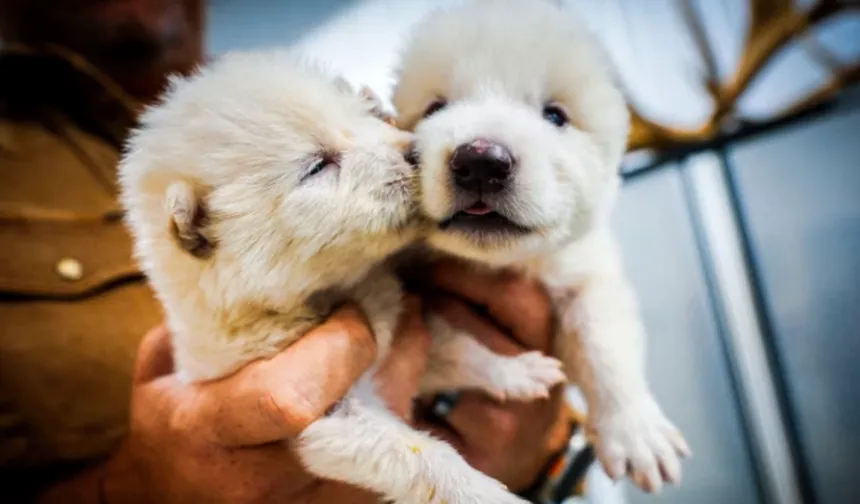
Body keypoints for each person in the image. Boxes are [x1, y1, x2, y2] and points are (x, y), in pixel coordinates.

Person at [0, 0, 582, 502]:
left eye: (365, 121)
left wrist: (547, 452)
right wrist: (127, 494)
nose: (407, 148)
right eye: (317, 167)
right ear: (200, 229)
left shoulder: (279, 88)